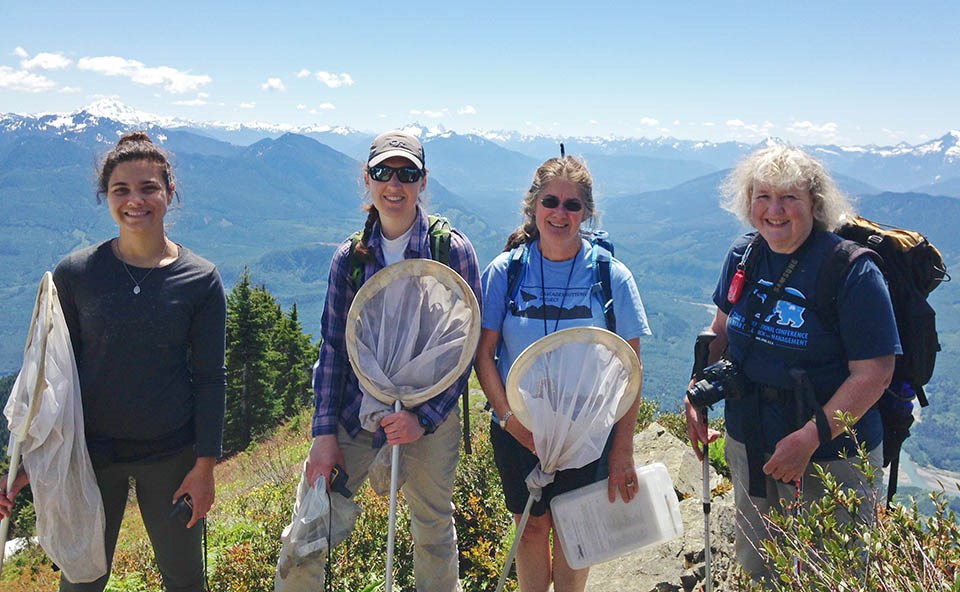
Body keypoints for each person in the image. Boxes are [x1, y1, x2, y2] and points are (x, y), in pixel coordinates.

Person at [0, 131, 226, 591]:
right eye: (121, 189)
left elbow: (209, 380)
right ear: (106, 196)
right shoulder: (76, 274)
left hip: (172, 455)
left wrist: (204, 470)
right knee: (81, 581)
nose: (135, 200)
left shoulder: (199, 280)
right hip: (88, 456)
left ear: (169, 193)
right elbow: (51, 377)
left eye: (148, 188)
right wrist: (30, 463)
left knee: (184, 581)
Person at [683, 145, 900, 584]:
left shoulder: (850, 271)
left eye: (790, 198)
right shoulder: (745, 256)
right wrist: (694, 392)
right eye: (763, 196)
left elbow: (874, 373)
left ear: (814, 206)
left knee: (830, 574)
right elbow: (721, 331)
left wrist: (807, 439)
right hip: (752, 439)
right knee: (758, 568)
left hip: (831, 455)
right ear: (748, 203)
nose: (774, 210)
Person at [300, 130, 480, 592]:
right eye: (383, 172)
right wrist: (323, 436)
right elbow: (334, 348)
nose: (394, 185)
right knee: (311, 525)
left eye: (407, 173)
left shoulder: (451, 250)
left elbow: (465, 346)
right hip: (356, 410)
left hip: (429, 416)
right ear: (367, 179)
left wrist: (425, 418)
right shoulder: (350, 259)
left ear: (423, 182)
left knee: (433, 529)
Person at [475, 155, 650, 592]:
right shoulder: (506, 271)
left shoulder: (612, 277)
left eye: (572, 205)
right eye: (550, 201)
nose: (560, 213)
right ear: (533, 207)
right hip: (520, 427)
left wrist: (621, 451)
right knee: (530, 528)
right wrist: (508, 421)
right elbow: (484, 353)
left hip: (587, 434)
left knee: (577, 535)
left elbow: (630, 370)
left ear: (586, 212)